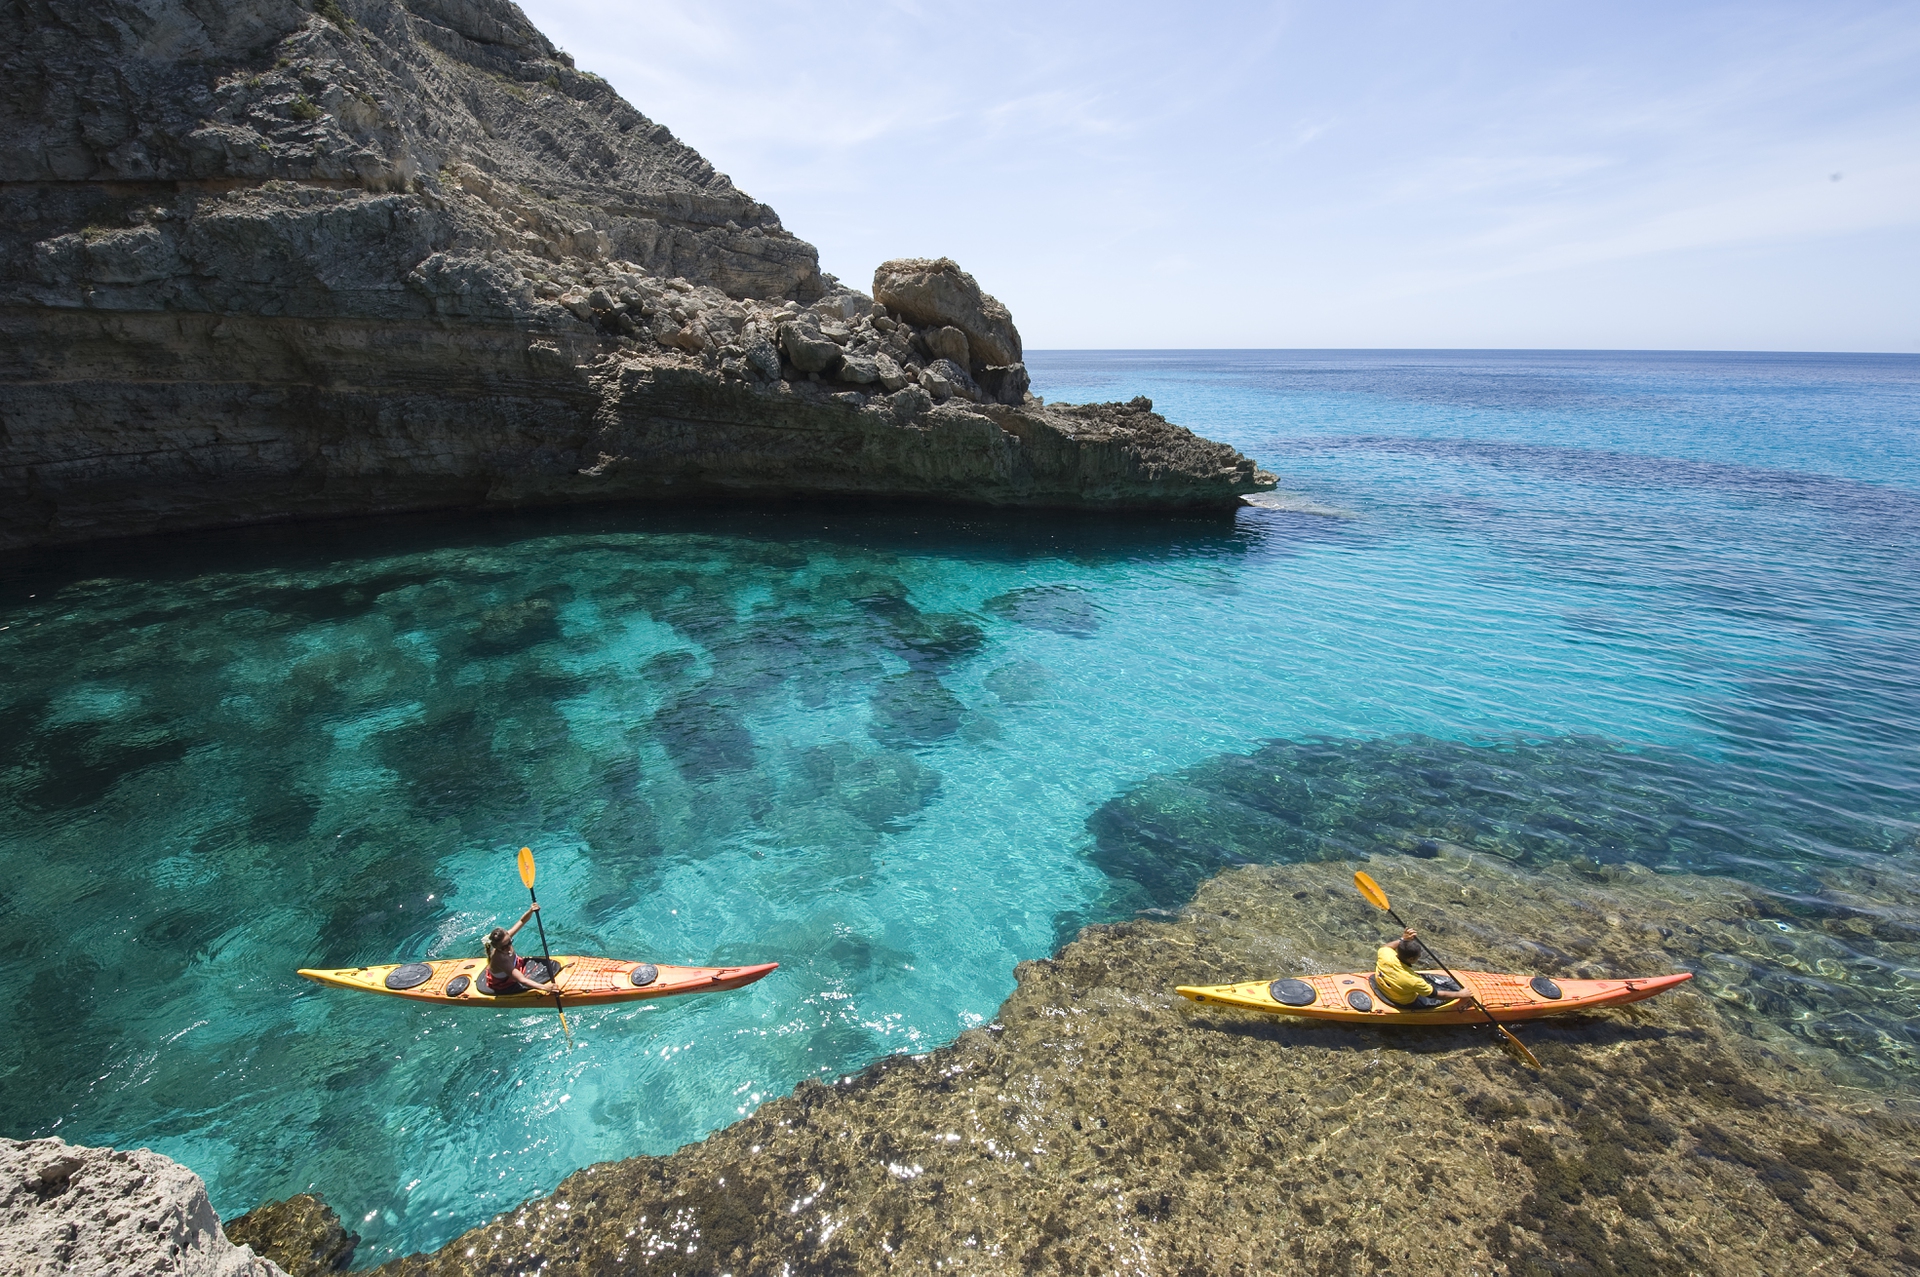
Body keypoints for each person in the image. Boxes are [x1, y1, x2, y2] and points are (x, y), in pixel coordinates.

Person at [1373, 928, 1464, 1010]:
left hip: (1382, 986)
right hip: (1404, 1001)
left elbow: (1386, 947)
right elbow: (1434, 995)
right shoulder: (1414, 981)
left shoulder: (1385, 954)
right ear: (1411, 959)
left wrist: (1403, 939)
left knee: (1427, 984)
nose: (1419, 957)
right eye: (1418, 956)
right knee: (1440, 995)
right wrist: (1460, 995)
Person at [483, 904, 565, 995]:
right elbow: (522, 980)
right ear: (496, 947)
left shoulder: (506, 938)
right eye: (503, 947)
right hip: (505, 983)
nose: (508, 947)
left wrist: (531, 910)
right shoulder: (501, 959)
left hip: (517, 966)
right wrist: (545, 988)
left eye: (510, 942)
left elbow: (522, 921)